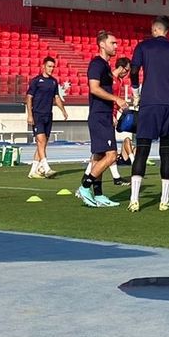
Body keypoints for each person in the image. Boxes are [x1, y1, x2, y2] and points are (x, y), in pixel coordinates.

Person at [127, 15, 169, 212]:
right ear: (166, 31)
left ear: (155, 29)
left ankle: (134, 200)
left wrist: (136, 91)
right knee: (166, 151)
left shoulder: (143, 47)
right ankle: (164, 200)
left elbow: (133, 70)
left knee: (142, 150)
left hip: (149, 103)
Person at [76, 31, 127, 207]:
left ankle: (98, 195)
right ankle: (84, 187)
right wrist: (116, 99)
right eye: (113, 43)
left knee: (99, 157)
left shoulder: (105, 66)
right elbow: (94, 88)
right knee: (112, 155)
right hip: (99, 116)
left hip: (104, 115)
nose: (116, 46)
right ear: (102, 44)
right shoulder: (97, 64)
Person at [24, 57, 68, 178]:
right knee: (41, 141)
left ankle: (33, 171)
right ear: (43, 66)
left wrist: (63, 110)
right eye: (49, 66)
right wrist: (30, 115)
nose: (51, 69)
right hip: (37, 114)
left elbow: (57, 97)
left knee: (43, 144)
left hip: (48, 115)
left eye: (53, 67)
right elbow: (28, 98)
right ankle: (46, 167)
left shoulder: (54, 82)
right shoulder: (36, 81)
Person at [109, 57, 133, 184]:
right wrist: (111, 115)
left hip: (111, 116)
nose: (127, 73)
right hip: (106, 117)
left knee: (107, 150)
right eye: (127, 70)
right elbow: (107, 98)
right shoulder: (109, 79)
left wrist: (121, 109)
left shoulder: (119, 81)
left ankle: (116, 177)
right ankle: (87, 180)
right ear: (122, 68)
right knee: (110, 151)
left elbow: (115, 100)